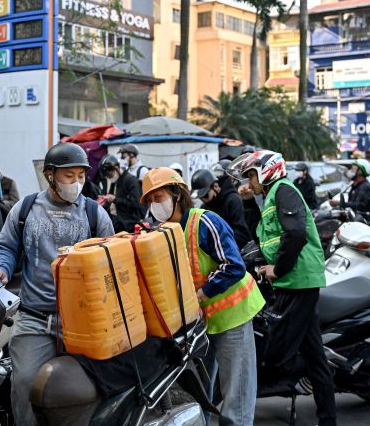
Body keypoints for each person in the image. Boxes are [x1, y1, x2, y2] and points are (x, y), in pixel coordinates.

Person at [0, 143, 113, 426]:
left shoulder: (96, 215)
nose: (77, 183)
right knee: (23, 383)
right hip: (34, 317)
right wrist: (2, 269)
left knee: (82, 389)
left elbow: (111, 262)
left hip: (83, 321)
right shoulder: (25, 209)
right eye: (69, 176)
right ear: (50, 175)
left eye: (81, 176)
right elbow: (7, 247)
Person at [141, 167, 264, 426]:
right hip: (199, 326)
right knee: (200, 394)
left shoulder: (204, 221)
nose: (155, 205)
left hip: (233, 315)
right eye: (151, 200)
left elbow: (233, 265)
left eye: (159, 197)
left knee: (237, 396)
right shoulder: (161, 234)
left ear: (177, 194)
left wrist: (200, 293)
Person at [227, 151, 335, 426]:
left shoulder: (283, 190)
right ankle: (327, 420)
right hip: (294, 281)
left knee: (277, 353)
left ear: (267, 171)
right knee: (315, 358)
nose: (249, 182)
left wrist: (278, 269)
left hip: (298, 281)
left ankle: (299, 385)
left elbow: (296, 233)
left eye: (251, 176)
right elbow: (262, 238)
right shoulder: (272, 196)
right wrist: (249, 203)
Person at [191, 168, 252, 250]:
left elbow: (242, 233)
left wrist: (221, 245)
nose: (204, 200)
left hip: (234, 251)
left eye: (205, 195)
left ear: (215, 186)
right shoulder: (204, 207)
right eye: (200, 197)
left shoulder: (233, 200)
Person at [97, 154, 145, 233]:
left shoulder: (131, 180)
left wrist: (115, 199)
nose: (108, 178)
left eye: (109, 175)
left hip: (129, 225)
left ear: (116, 169)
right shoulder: (114, 181)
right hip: (117, 223)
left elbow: (136, 203)